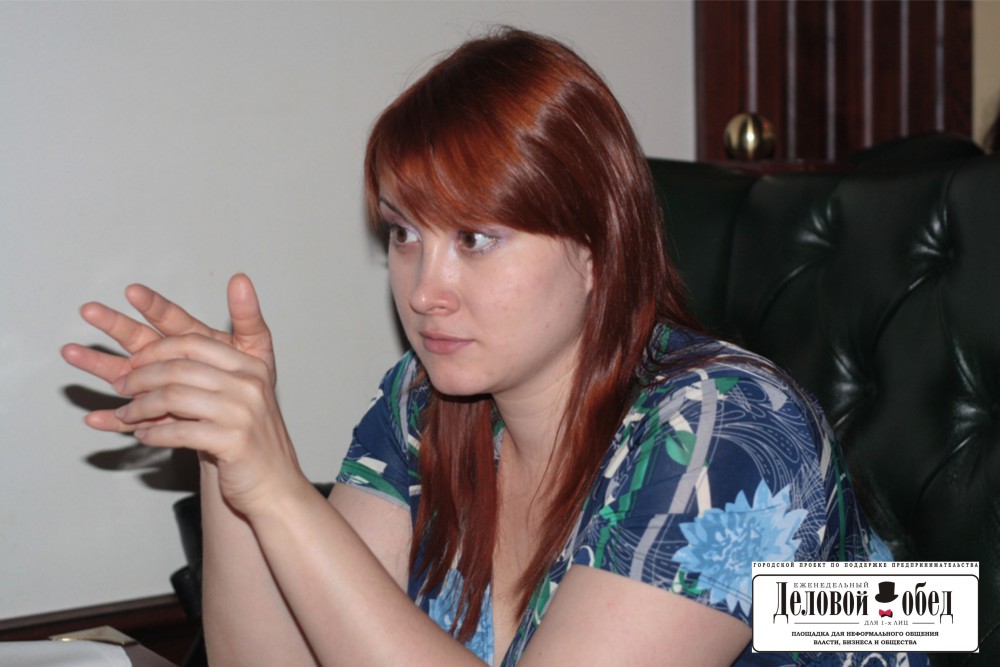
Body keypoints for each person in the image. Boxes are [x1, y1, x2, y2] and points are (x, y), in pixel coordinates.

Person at [62, 28, 929, 667]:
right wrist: (228, 456)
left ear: (597, 249)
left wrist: (286, 493)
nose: (423, 289)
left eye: (476, 238)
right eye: (404, 233)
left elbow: (912, 613)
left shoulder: (728, 429)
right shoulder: (423, 402)